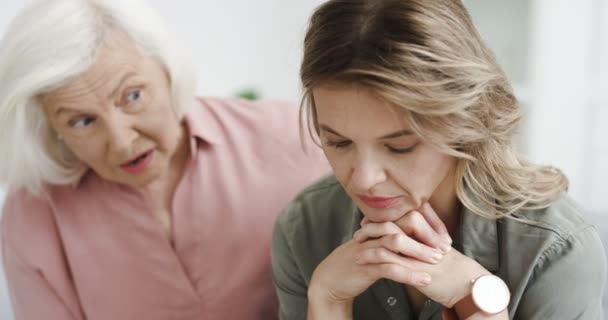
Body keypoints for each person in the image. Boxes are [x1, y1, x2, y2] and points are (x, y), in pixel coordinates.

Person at [271, 0, 607, 319]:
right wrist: (327, 300)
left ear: (465, 121)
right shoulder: (304, 228)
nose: (363, 179)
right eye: (339, 142)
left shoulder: (557, 249)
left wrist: (482, 308)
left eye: (400, 146)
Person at [0, 0, 329, 319]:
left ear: (168, 68)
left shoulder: (296, 140)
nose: (121, 140)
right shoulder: (33, 215)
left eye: (132, 96)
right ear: (50, 128)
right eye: (82, 121)